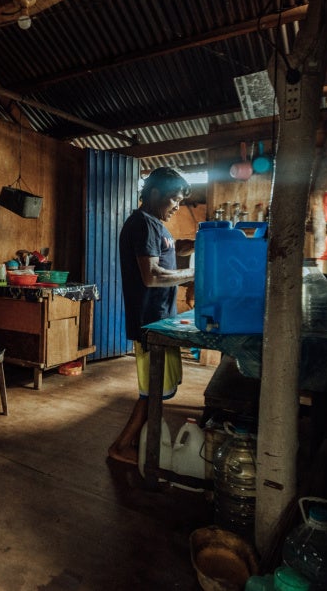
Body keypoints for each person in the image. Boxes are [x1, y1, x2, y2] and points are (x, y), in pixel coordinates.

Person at [108, 167, 195, 465]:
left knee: (156, 391)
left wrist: (198, 244)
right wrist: (193, 273)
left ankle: (135, 443)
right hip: (150, 323)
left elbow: (169, 250)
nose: (177, 206)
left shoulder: (155, 224)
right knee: (150, 393)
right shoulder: (142, 224)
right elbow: (152, 275)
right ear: (155, 193)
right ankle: (120, 446)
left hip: (161, 320)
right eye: (173, 199)